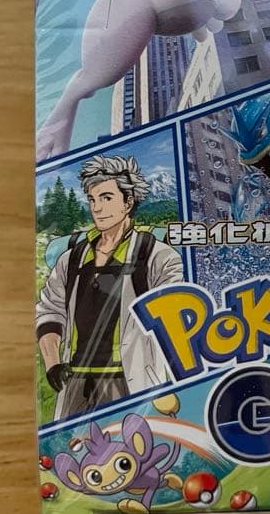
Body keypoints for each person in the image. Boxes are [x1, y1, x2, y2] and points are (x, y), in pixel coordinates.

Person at [36, 154, 183, 419]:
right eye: (92, 199)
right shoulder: (72, 258)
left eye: (106, 198)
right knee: (68, 445)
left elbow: (174, 321)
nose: (97, 208)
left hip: (128, 381)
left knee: (133, 444)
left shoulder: (157, 256)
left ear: (128, 202)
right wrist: (52, 364)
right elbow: (49, 310)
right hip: (75, 382)